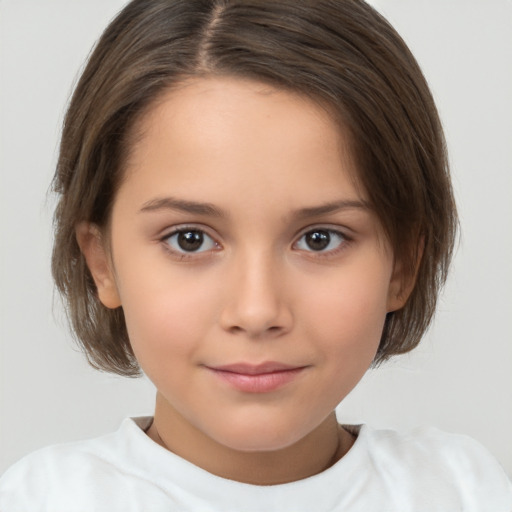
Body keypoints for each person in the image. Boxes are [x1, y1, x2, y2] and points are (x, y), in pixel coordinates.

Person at [0, 0, 510, 510]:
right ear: (102, 263)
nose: (257, 311)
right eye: (190, 239)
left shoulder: (464, 492)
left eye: (319, 239)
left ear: (402, 264)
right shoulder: (41, 499)